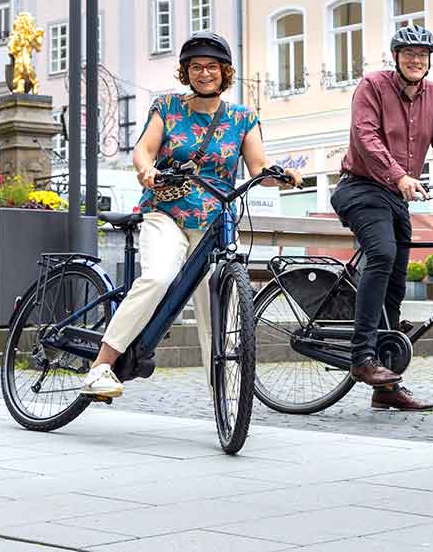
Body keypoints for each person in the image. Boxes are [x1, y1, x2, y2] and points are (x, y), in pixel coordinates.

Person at [82, 32, 301, 398]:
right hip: (167, 212)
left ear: (224, 72)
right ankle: (101, 366)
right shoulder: (167, 107)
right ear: (186, 72)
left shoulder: (243, 118)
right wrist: (147, 170)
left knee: (218, 304)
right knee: (159, 277)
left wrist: (283, 176)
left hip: (216, 219)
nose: (204, 73)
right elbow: (144, 151)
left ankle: (226, 396)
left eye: (212, 67)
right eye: (196, 67)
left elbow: (259, 166)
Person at [330, 25, 433, 412]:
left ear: (429, 61)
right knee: (383, 255)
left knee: (395, 283)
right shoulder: (372, 86)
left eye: (422, 54)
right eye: (408, 53)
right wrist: (400, 175)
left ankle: (387, 387)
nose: (415, 59)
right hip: (360, 187)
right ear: (396, 57)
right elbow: (365, 137)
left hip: (395, 196)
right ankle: (361, 358)